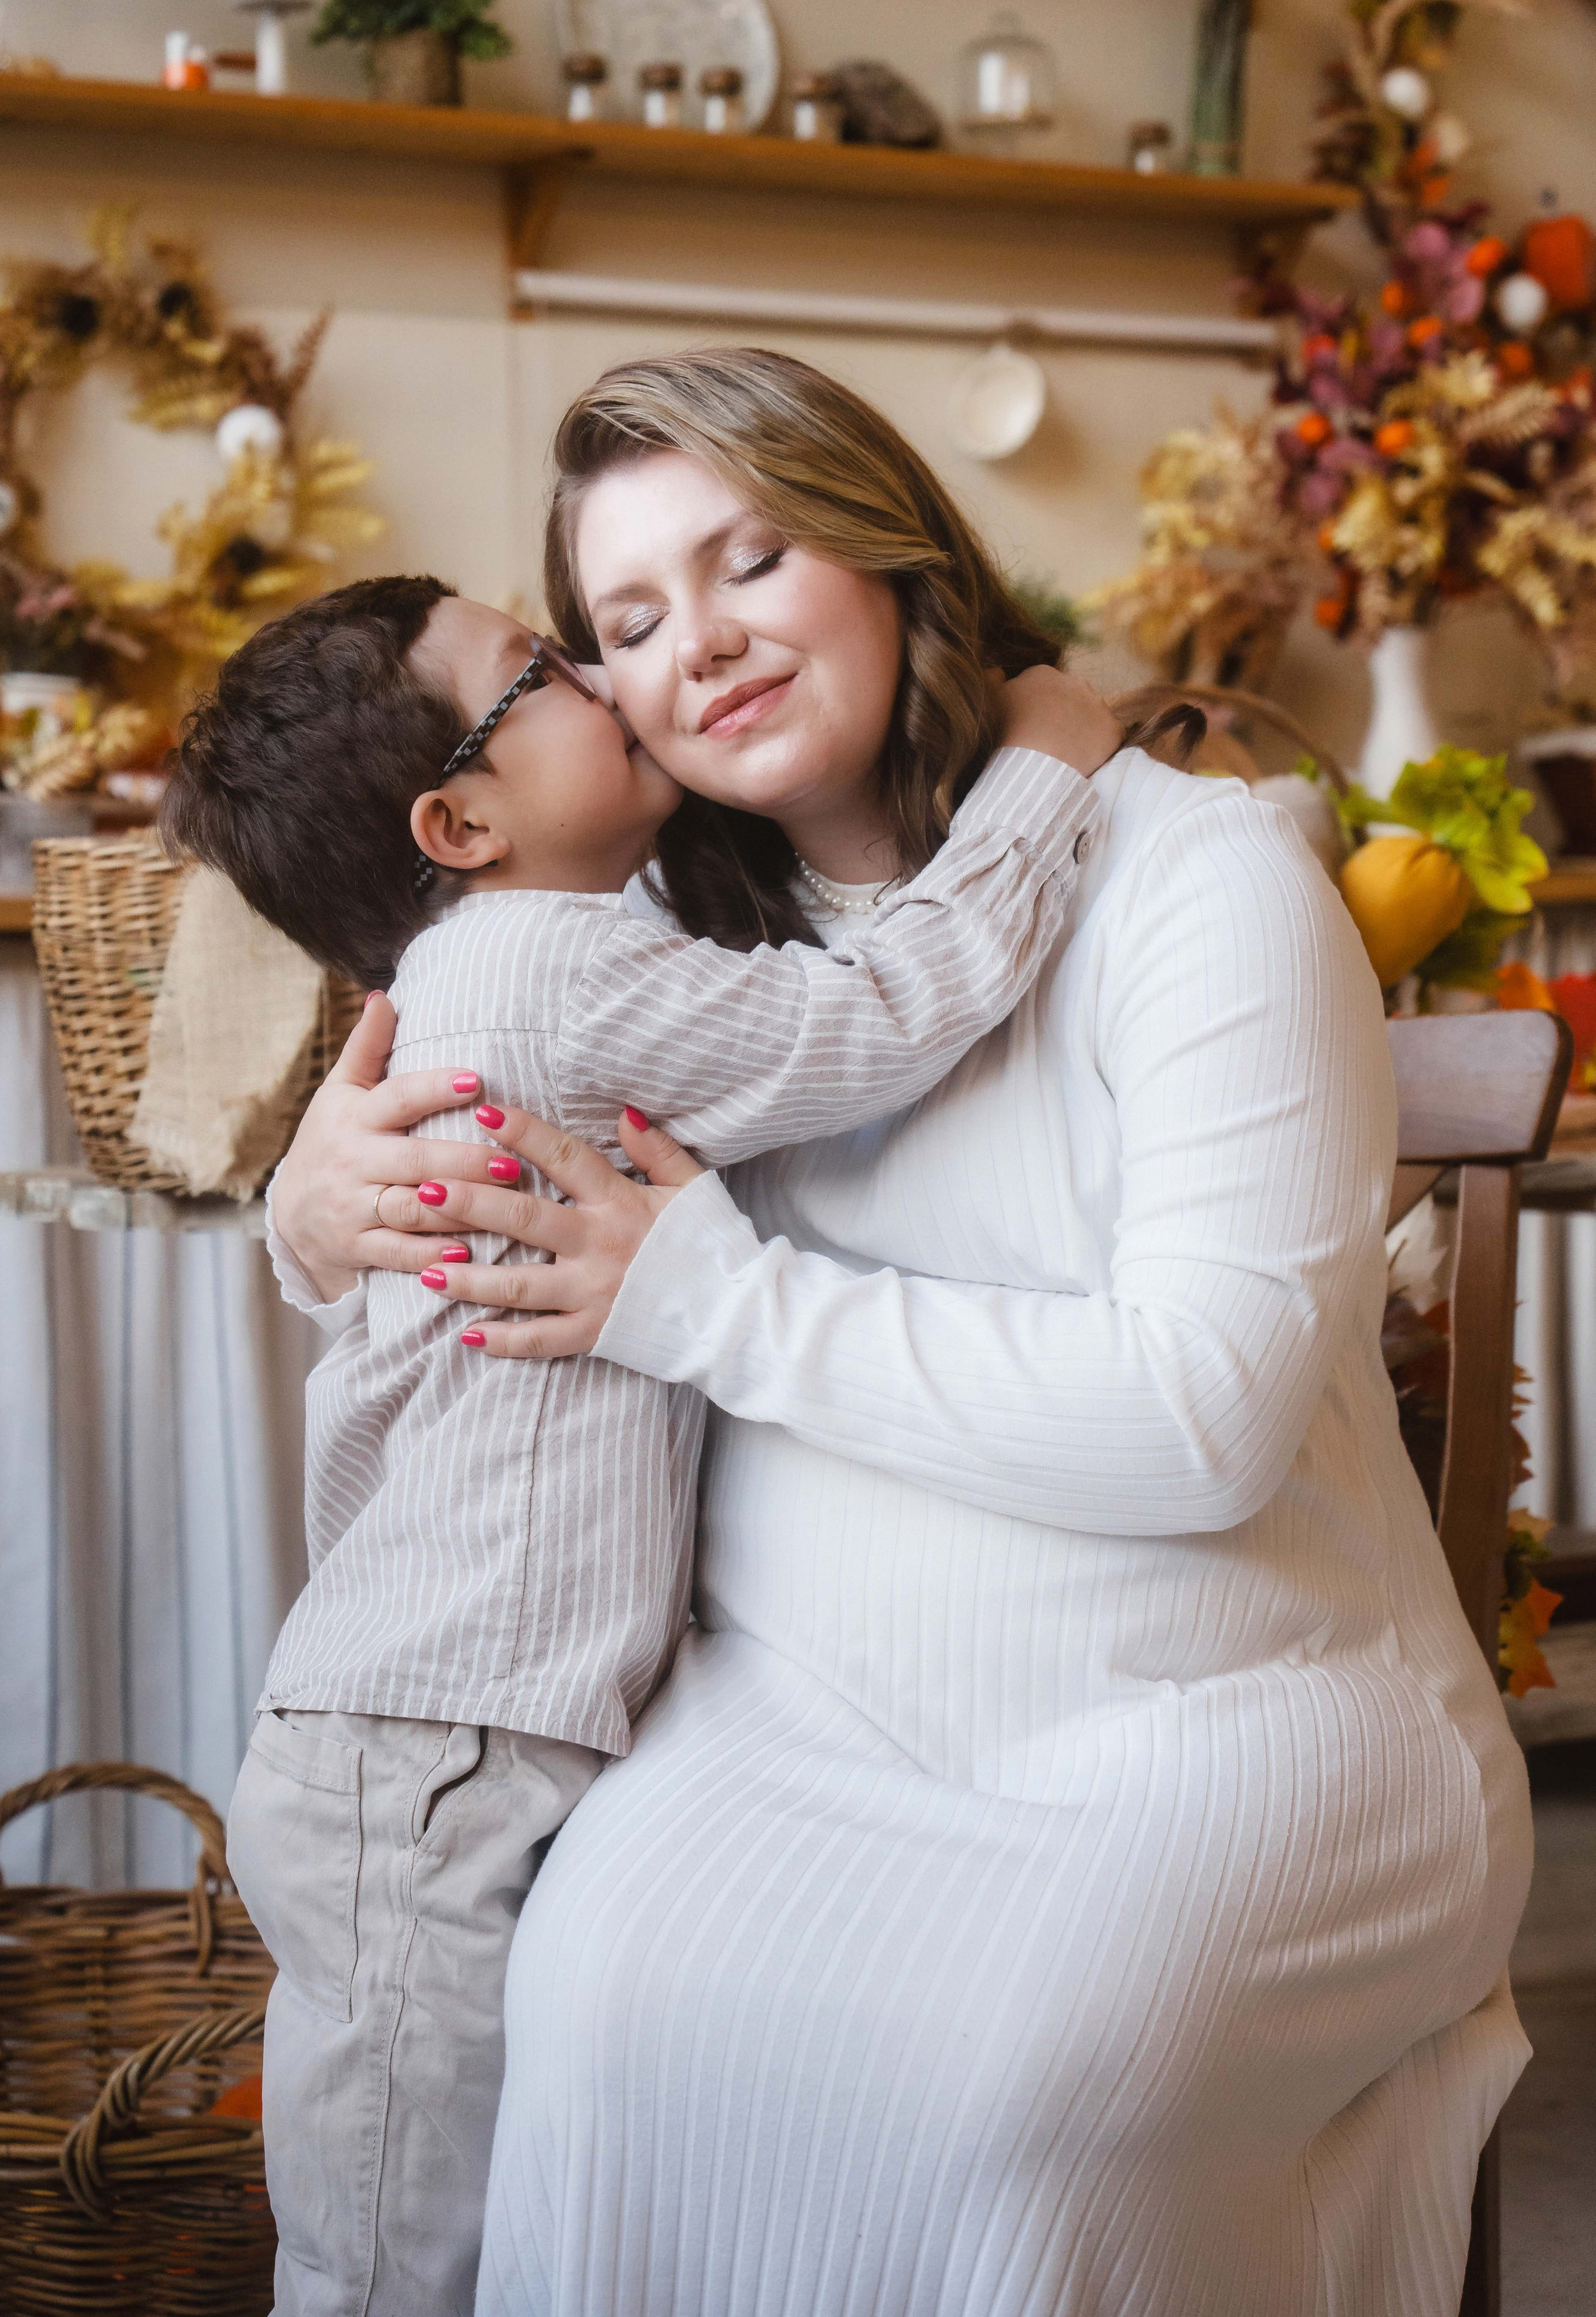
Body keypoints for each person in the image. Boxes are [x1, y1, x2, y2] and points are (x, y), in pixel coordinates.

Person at [270, 350, 1531, 2317]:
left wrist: (715, 1300)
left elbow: (1201, 1425)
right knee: (592, 2006)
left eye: (752, 558)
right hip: (802, 1702)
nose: (699, 645)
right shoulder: (656, 933)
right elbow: (447, 1083)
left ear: (888, 548)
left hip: (1221, 1706)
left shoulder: (1200, 883)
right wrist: (310, 1204)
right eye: (626, 623)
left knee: (1020, 2101)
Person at [163, 567, 1115, 2317]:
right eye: (537, 669)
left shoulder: (524, 951)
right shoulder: (552, 969)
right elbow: (889, 1012)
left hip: (445, 1733)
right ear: (459, 823)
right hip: (430, 1758)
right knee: (392, 2260)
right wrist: (1047, 764)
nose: (602, 672)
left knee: (476, 2222)